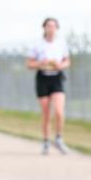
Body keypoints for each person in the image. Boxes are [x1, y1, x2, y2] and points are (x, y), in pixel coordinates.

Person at [26, 17, 71, 154]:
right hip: (43, 78)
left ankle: (58, 138)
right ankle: (46, 141)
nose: (51, 29)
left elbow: (67, 61)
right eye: (48, 26)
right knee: (46, 113)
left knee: (59, 110)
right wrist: (40, 63)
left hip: (56, 77)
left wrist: (60, 65)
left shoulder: (61, 44)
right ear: (44, 28)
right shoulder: (37, 45)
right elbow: (29, 64)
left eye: (53, 26)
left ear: (57, 28)